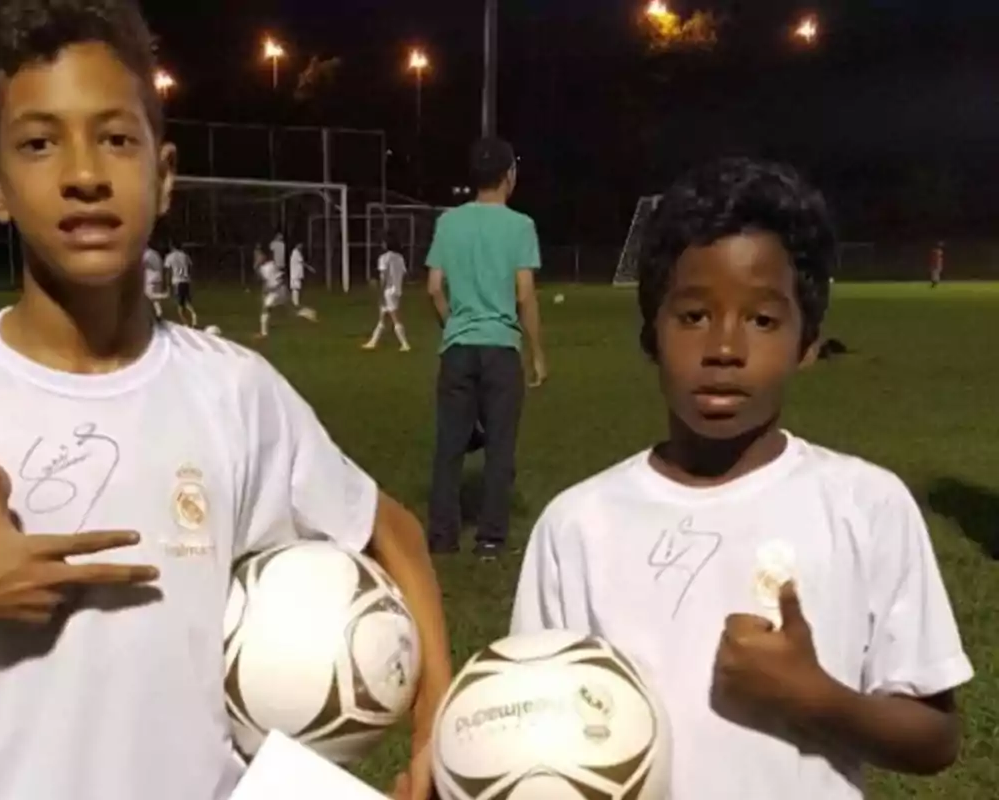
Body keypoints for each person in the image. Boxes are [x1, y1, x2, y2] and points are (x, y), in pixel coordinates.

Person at [0, 5, 452, 800]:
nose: (84, 172)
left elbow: (390, 531)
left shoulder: (234, 391)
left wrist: (433, 720)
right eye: (39, 142)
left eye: (116, 138)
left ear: (163, 175)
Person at [511, 158, 972, 800]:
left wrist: (814, 696)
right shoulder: (578, 525)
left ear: (808, 342)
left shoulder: (867, 506)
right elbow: (529, 731)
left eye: (762, 320)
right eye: (694, 315)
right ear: (651, 333)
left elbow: (935, 737)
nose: (724, 348)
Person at [425, 137, 546, 559]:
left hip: (458, 348)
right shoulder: (521, 226)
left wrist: (454, 324)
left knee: (449, 447)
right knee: (499, 447)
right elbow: (525, 294)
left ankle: (441, 537)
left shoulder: (448, 222)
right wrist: (537, 353)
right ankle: (490, 539)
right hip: (500, 349)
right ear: (509, 175)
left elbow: (434, 288)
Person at [363, 233, 411, 351]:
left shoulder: (384, 258)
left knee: (395, 318)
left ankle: (405, 344)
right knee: (382, 318)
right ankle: (373, 342)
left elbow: (383, 276)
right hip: (397, 290)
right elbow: (404, 274)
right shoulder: (400, 257)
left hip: (388, 291)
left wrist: (381, 291)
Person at [255, 242, 287, 339]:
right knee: (267, 308)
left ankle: (264, 333)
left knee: (265, 309)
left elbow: (273, 280)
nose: (257, 257)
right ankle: (268, 325)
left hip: (277, 291)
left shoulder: (268, 267)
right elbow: (267, 281)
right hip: (277, 290)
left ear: (264, 256)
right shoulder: (267, 266)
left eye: (259, 255)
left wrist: (268, 290)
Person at [166, 240, 197, 327]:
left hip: (177, 281)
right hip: (186, 280)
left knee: (179, 304)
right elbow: (190, 267)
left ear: (172, 246)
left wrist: (168, 284)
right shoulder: (185, 255)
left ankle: (186, 324)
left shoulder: (170, 256)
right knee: (186, 301)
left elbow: (168, 270)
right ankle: (193, 315)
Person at [288, 242, 318, 321]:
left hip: (296, 274)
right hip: (295, 274)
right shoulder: (296, 253)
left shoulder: (296, 253)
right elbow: (302, 262)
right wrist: (310, 268)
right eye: (300, 245)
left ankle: (295, 302)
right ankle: (295, 303)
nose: (301, 246)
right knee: (295, 288)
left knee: (296, 288)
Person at [143, 243, 168, 320]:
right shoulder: (155, 253)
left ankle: (164, 296)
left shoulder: (145, 254)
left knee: (148, 296)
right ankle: (159, 315)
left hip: (150, 279)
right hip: (158, 277)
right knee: (156, 301)